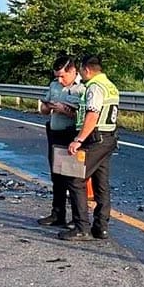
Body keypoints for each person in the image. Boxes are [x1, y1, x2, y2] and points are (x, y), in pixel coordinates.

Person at [62, 55, 119, 241]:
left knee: (75, 178)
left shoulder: (94, 87)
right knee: (100, 183)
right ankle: (101, 227)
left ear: (87, 70)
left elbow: (93, 115)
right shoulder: (110, 85)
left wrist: (78, 139)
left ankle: (81, 228)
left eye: (81, 71)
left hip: (95, 138)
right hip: (109, 137)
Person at [37, 56, 84, 227]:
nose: (59, 79)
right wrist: (48, 106)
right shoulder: (54, 85)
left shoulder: (83, 88)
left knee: (73, 178)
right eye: (57, 76)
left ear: (73, 71)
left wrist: (65, 110)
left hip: (72, 135)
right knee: (56, 176)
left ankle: (77, 218)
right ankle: (57, 213)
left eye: (63, 76)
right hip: (54, 133)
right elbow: (42, 110)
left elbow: (86, 115)